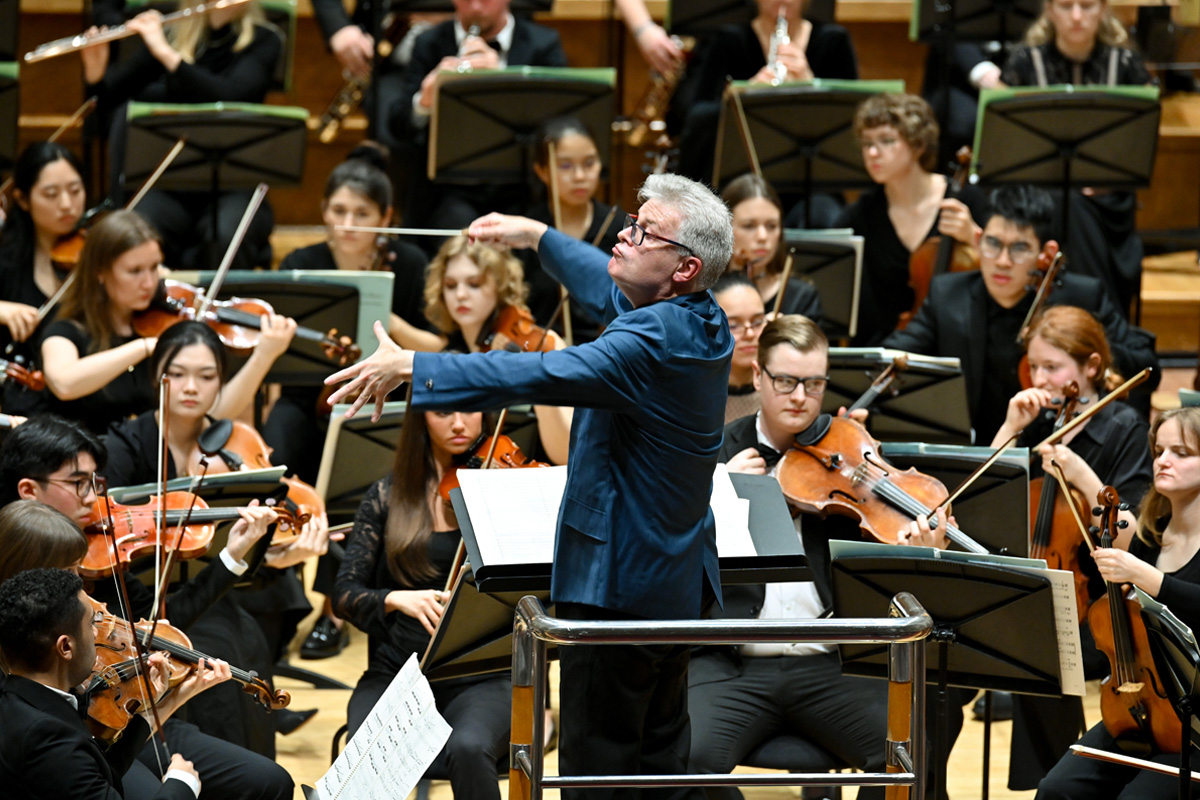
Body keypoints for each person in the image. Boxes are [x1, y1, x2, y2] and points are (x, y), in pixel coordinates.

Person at [325, 173, 734, 799]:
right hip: (673, 578)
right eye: (633, 221)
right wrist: (538, 235)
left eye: (644, 233)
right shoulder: (695, 316)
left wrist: (414, 366)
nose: (624, 236)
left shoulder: (654, 342)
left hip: (622, 588)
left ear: (685, 267)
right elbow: (602, 280)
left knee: (599, 772)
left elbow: (541, 371)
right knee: (658, 761)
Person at [694, 314, 946, 800]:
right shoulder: (714, 455)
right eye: (785, 381)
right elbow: (673, 552)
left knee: (909, 753)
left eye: (813, 384)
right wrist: (718, 496)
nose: (800, 397)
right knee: (687, 760)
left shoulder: (849, 456)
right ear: (757, 376)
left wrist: (916, 548)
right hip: (733, 662)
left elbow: (882, 552)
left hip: (830, 661)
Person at [101, 321, 330, 750]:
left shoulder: (233, 447)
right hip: (143, 605)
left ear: (221, 382)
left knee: (247, 635)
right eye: (177, 374)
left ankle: (253, 767)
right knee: (218, 647)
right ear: (156, 376)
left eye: (206, 376)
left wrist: (283, 554)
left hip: (211, 591)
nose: (191, 387)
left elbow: (240, 557)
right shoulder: (124, 449)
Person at [0, 500, 295, 800]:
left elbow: (101, 763)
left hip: (121, 726)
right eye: (67, 572)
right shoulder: (37, 725)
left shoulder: (91, 588)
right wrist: (181, 785)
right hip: (90, 740)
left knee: (269, 779)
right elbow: (84, 762)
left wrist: (167, 698)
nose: (83, 585)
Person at [269, 145, 435, 659]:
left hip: (380, 401)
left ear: (386, 218)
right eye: (338, 211)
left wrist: (382, 314)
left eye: (362, 214)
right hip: (309, 399)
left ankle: (333, 610)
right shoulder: (302, 264)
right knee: (274, 457)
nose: (348, 223)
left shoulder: (409, 264)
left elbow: (438, 345)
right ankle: (278, 598)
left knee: (355, 477)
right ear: (323, 211)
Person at [988, 305, 1151, 789]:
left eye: (1053, 367)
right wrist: (1011, 428)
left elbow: (1133, 535)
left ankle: (1056, 783)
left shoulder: (1123, 426)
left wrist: (1081, 474)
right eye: (1035, 367)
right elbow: (985, 501)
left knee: (1041, 645)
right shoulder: (1040, 422)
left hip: (1099, 604)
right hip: (1032, 585)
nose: (1041, 379)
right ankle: (1052, 785)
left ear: (1092, 367)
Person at [882, 183, 1159, 444]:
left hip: (1058, 452)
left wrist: (1082, 342)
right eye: (993, 244)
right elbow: (890, 358)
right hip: (977, 452)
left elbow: (1147, 368)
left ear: (1046, 252)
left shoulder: (1081, 297)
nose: (1002, 261)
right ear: (977, 240)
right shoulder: (948, 295)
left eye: (1019, 248)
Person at [333, 400, 511, 799]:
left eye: (470, 409)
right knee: (366, 757)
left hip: (482, 675)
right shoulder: (388, 495)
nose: (459, 422)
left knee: (468, 747)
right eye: (443, 413)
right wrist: (396, 599)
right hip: (398, 672)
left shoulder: (501, 488)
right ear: (421, 418)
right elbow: (344, 594)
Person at [1036, 406, 1200, 798]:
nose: (1162, 461)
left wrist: (1149, 578)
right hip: (1143, 705)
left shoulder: (1145, 558)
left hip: (1196, 722)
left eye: (1181, 452)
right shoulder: (1150, 535)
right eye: (1159, 451)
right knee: (1057, 789)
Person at [39, 210, 295, 435]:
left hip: (154, 464)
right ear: (100, 272)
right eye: (135, 271)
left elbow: (214, 413)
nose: (149, 283)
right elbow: (64, 383)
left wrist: (263, 357)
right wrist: (144, 347)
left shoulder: (167, 323)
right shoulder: (66, 331)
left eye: (154, 268)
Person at [79, 0, 280, 271]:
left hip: (233, 186)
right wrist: (96, 72)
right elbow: (110, 99)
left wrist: (165, 53)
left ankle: (227, 300)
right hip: (169, 184)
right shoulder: (172, 34)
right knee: (138, 229)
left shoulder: (265, 40)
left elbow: (228, 96)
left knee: (227, 234)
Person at [0, 566, 229, 799]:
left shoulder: (20, 700)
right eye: (92, 623)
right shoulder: (46, 737)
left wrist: (172, 698)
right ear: (66, 647)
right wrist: (182, 784)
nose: (98, 633)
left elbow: (95, 771)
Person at [999, 0, 1154, 314]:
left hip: (1106, 199)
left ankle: (1085, 317)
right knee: (1067, 202)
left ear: (1103, 9)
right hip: (1039, 194)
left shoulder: (1127, 65)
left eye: (1087, 5)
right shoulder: (1023, 63)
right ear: (1049, 10)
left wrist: (1107, 181)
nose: (1077, 16)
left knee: (1076, 204)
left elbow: (1139, 144)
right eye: (1066, 5)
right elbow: (1005, 143)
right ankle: (1097, 316)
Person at [387, 0, 568, 233]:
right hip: (449, 190)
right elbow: (398, 127)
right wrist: (424, 100)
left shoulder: (543, 44)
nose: (475, 7)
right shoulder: (429, 43)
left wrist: (502, 81)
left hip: (521, 187)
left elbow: (558, 123)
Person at [835, 93, 988, 346]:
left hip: (956, 341)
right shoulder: (861, 214)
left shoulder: (965, 200)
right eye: (866, 143)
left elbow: (1003, 271)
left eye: (887, 141)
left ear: (918, 145)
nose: (872, 152)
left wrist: (973, 237)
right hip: (884, 346)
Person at [418, 234, 573, 466]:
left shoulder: (541, 344)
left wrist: (536, 376)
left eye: (474, 284)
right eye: (450, 285)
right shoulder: (449, 354)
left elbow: (565, 453)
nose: (460, 294)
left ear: (500, 285)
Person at [672, 0, 858, 188]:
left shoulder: (834, 40)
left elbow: (854, 117)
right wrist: (743, 96)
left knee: (823, 208)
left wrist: (812, 85)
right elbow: (697, 116)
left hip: (811, 180)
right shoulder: (728, 40)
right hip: (740, 179)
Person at [0, 142, 87, 416]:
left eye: (75, 191)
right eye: (51, 194)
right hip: (21, 398)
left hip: (88, 396)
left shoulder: (98, 253)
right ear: (23, 200)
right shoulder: (6, 258)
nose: (67, 204)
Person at [522, 116, 627, 341]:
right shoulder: (526, 230)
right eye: (565, 166)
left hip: (605, 350)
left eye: (589, 163)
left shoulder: (621, 227)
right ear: (542, 171)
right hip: (538, 349)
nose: (580, 176)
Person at [720, 175, 823, 325]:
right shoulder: (704, 292)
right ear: (724, 229)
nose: (762, 236)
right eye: (749, 226)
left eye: (771, 226)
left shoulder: (802, 297)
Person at [712, 272, 767, 424]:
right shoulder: (691, 395)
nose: (750, 334)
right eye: (733, 325)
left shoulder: (783, 389)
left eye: (757, 322)